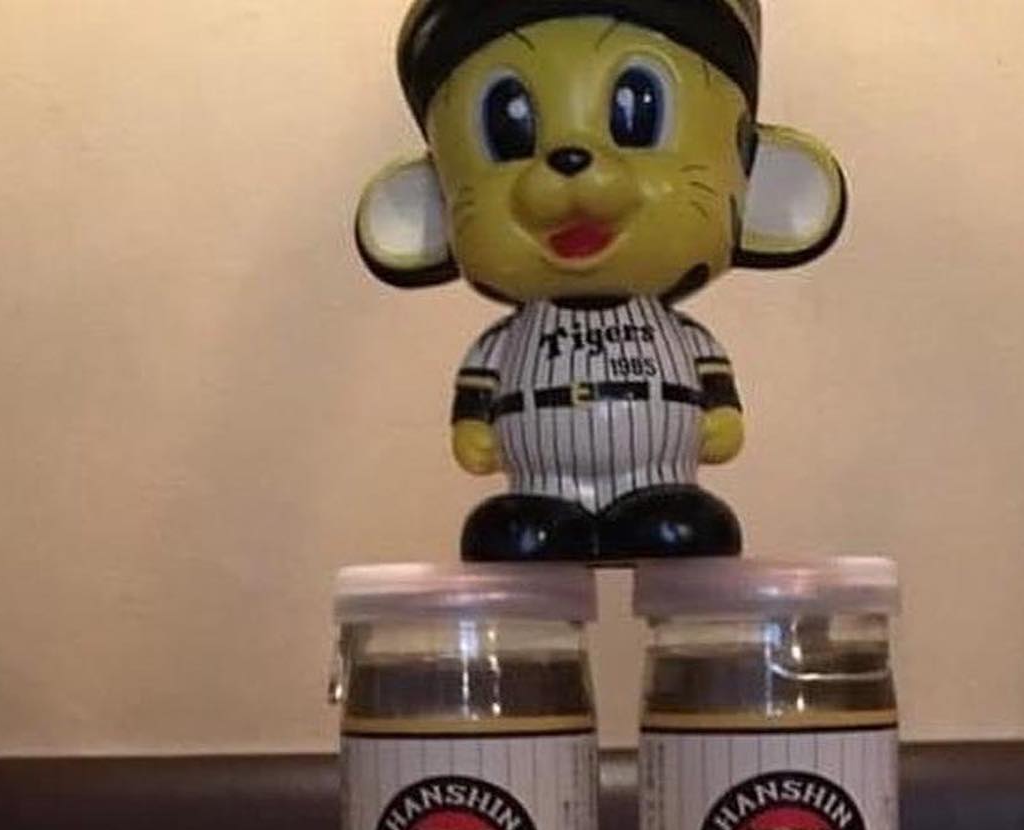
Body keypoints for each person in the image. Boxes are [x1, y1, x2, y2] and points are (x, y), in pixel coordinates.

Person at [356, 0, 846, 561]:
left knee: (676, 533)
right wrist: (473, 425)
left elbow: (713, 382)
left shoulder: (685, 339)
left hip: (658, 475)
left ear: (754, 175)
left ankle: (658, 511)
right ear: (432, 200)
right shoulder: (503, 345)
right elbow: (476, 392)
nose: (572, 162)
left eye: (634, 118)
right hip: (540, 483)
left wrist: (721, 413)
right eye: (510, 130)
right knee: (522, 541)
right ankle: (542, 520)